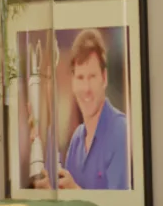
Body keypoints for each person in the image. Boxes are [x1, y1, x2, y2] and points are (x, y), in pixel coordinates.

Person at [54, 29, 130, 190]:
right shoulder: (76, 141)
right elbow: (69, 205)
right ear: (72, 82)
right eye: (80, 78)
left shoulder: (120, 131)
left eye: (92, 77)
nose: (86, 88)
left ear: (104, 78)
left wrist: (74, 190)